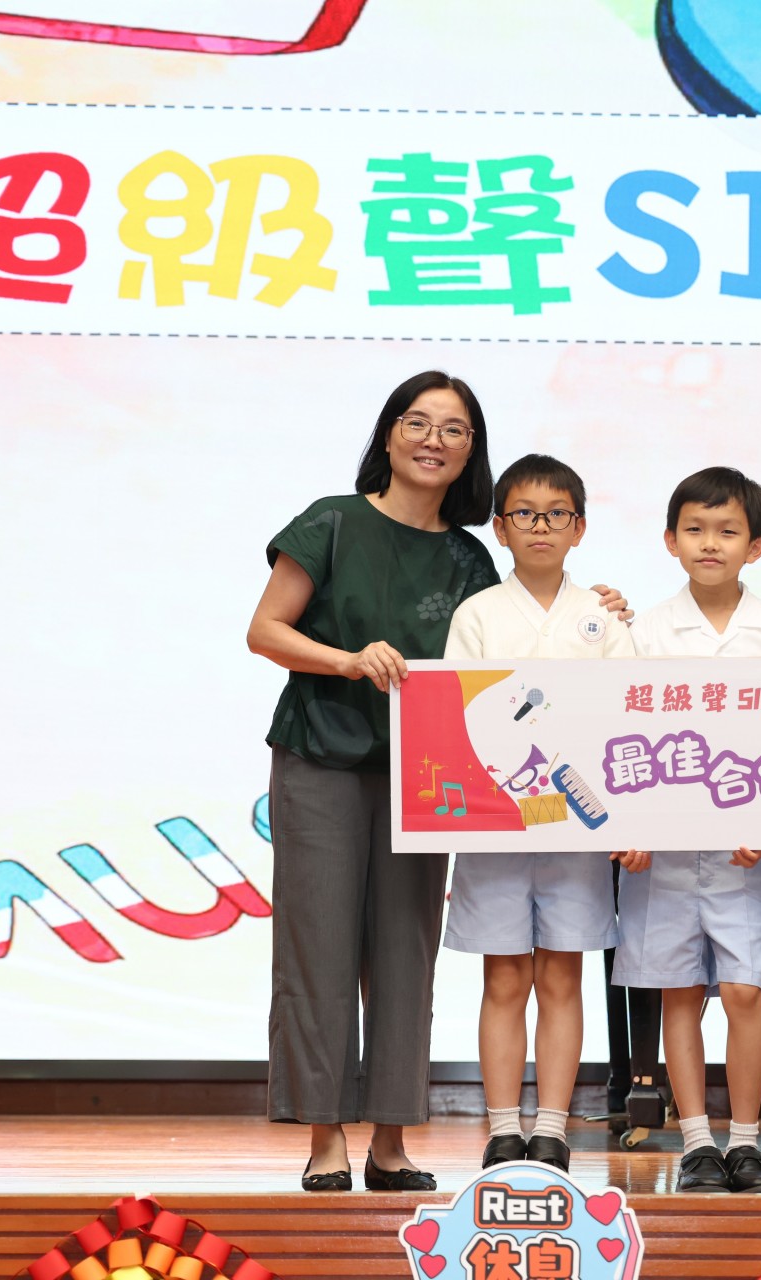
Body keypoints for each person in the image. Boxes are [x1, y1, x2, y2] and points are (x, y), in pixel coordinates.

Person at [246, 372, 499, 1194]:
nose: (433, 441)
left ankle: (391, 1141)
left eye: (453, 430)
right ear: (389, 435)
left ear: (470, 451)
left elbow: (504, 663)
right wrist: (347, 661)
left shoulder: (469, 558)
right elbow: (265, 630)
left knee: (405, 953)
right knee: (317, 946)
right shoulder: (332, 521)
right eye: (417, 423)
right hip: (321, 756)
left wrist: (598, 609)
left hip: (423, 776)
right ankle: (325, 1139)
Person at [441, 453, 644, 1173]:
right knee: (504, 979)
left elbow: (628, 719)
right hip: (495, 826)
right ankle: (503, 1127)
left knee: (563, 977)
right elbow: (455, 715)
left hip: (578, 829)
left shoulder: (602, 617)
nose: (540, 527)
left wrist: (628, 820)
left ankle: (553, 1125)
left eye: (557, 514)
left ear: (579, 528)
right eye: (524, 514)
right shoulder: (477, 615)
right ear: (500, 528)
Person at [616, 466, 761, 1194]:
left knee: (744, 990)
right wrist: (630, 825)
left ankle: (746, 1142)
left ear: (756, 547)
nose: (710, 543)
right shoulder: (644, 631)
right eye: (695, 529)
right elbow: (622, 735)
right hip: (660, 850)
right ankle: (697, 1140)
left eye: (728, 531)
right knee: (678, 991)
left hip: (741, 847)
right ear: (670, 540)